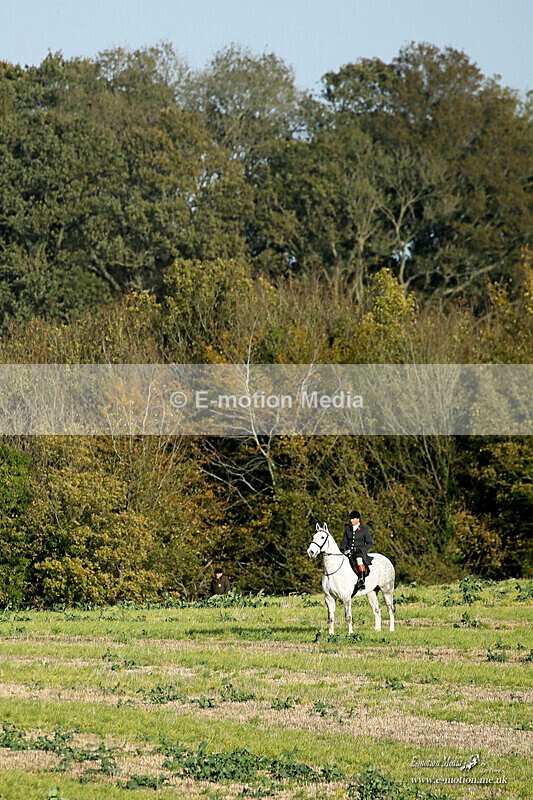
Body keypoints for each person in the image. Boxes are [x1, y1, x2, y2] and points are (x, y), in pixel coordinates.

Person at [340, 511, 374, 591]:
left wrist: (362, 550)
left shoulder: (364, 530)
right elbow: (344, 541)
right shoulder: (348, 530)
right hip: (349, 553)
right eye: (351, 519)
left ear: (358, 519)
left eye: (353, 519)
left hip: (360, 553)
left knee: (359, 560)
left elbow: (370, 543)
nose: (351, 520)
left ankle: (361, 580)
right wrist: (342, 549)